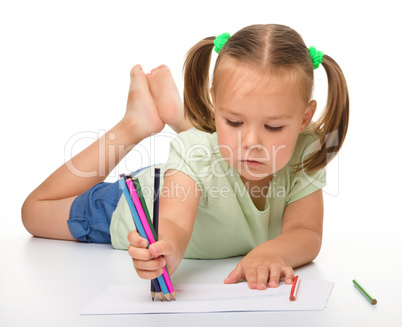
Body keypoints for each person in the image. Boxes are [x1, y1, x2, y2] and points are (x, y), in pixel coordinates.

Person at [21, 24, 349, 291]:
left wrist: (271, 252)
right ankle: (135, 124)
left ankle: (183, 120)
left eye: (274, 126)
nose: (252, 142)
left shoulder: (306, 151)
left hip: (198, 165)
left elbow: (306, 232)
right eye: (233, 122)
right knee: (34, 212)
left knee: (202, 152)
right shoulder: (192, 157)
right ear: (215, 104)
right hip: (142, 198)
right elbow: (174, 222)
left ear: (304, 118)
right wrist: (168, 249)